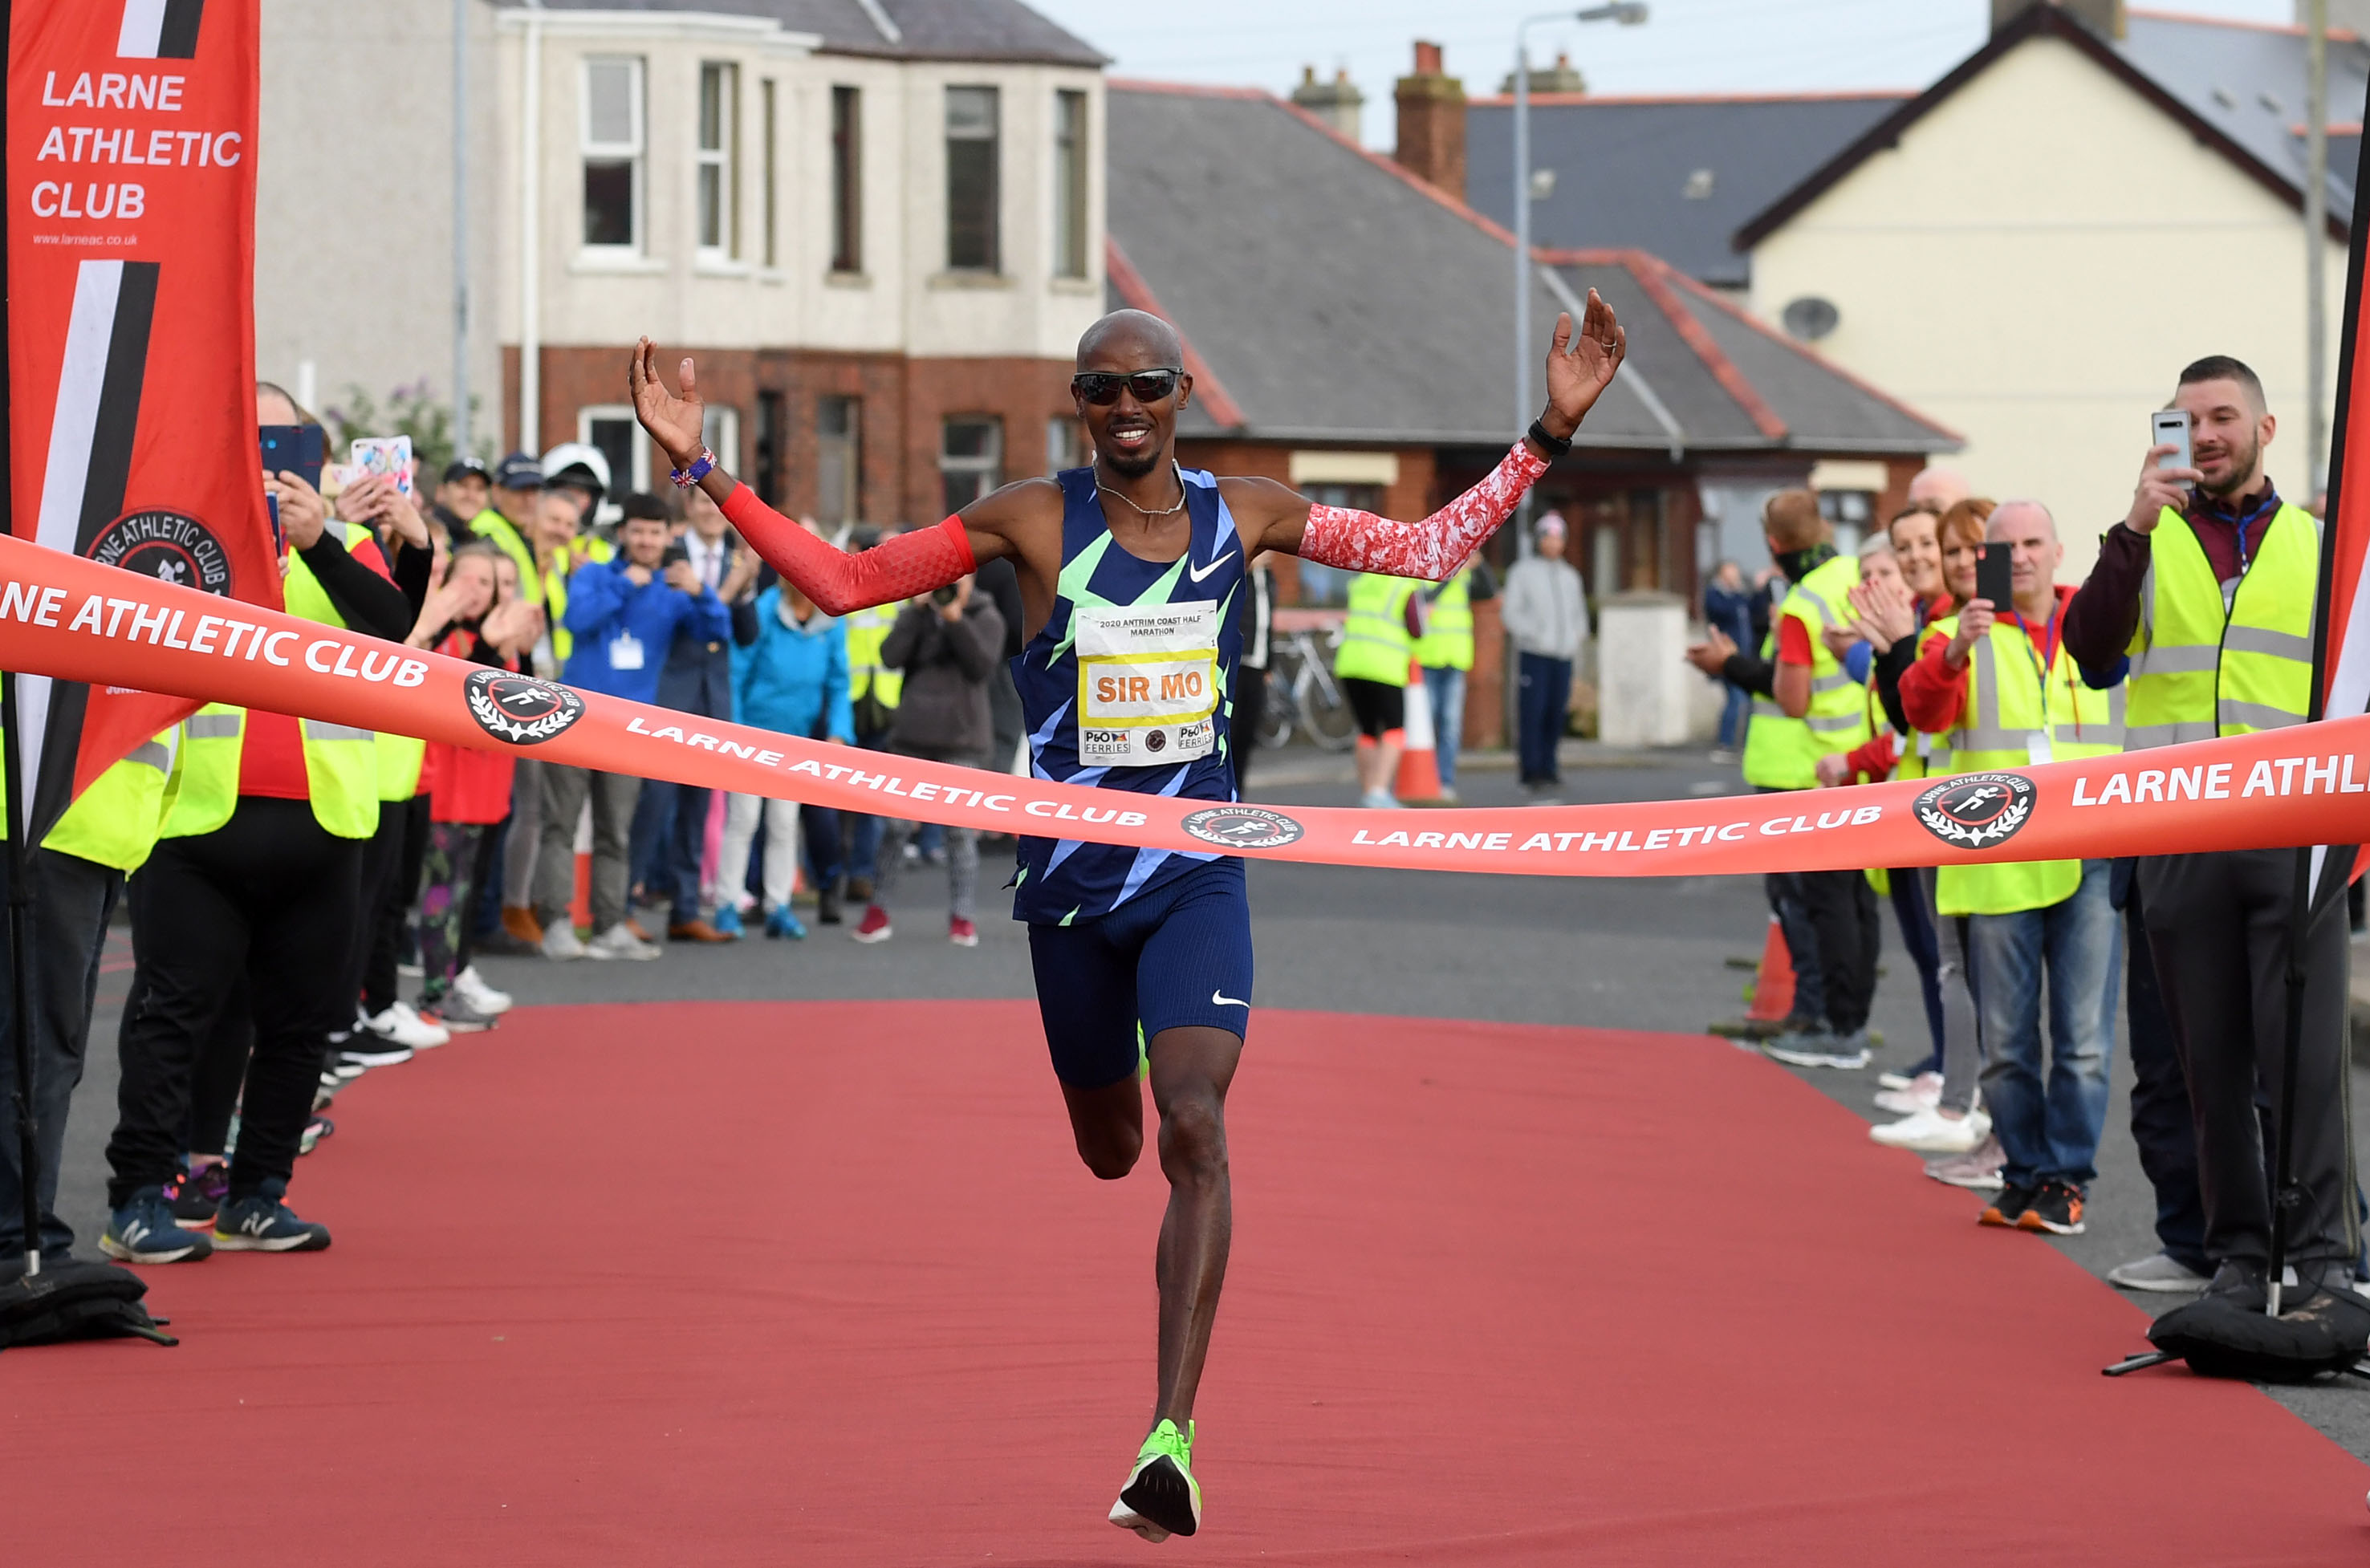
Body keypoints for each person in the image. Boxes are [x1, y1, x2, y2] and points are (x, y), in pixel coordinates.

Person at [628, 289, 1627, 1542]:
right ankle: (1130, 1108)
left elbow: (1422, 549)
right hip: (1069, 887)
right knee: (1110, 1149)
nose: (1123, 408)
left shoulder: (1244, 512)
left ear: (1180, 397)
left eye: (1145, 385)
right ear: (1078, 405)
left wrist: (1549, 430)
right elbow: (839, 582)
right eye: (1099, 389)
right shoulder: (1029, 517)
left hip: (1198, 868)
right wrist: (705, 467)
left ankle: (1168, 1439)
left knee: (1193, 1124)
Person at [2063, 355, 2355, 1306]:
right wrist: (2134, 526)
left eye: (2224, 416)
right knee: (2210, 1070)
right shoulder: (2146, 541)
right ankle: (2235, 1259)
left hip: (2293, 836)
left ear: (2264, 429)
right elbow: (2092, 652)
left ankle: (2318, 1265)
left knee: (2304, 1064)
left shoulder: (2325, 544)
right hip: (2178, 838)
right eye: (2187, 420)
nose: (2207, 434)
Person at [100, 382, 412, 1264]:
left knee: (299, 1024)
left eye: (290, 447)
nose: (275, 466)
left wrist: (317, 544)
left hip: (324, 826)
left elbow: (393, 632)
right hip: (196, 824)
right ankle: (136, 1198)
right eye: (257, 445)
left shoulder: (346, 543)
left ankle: (258, 1194)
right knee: (173, 1016)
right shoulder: (182, 540)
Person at [1901, 500, 2124, 1237]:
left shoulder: (2096, 626)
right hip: (1998, 856)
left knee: (2083, 1038)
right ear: (1982, 559)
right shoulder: (1953, 633)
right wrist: (1955, 653)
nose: (2020, 556)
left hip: (2088, 850)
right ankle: (2023, 1170)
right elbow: (1922, 715)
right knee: (2006, 1042)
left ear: (2058, 552)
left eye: (2033, 543)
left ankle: (2064, 1178)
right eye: (2005, 547)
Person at [1685, 490, 1874, 1066]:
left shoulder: (1801, 605)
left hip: (1801, 769)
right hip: (1861, 763)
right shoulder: (1853, 576)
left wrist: (1730, 666)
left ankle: (1828, 1023)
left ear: (1772, 544)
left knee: (1812, 905)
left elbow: (1791, 698)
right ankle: (1844, 1021)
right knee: (1853, 903)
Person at [0, 721, 183, 1273]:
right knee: (38, 1049)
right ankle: (21, 1240)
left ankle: (24, 1233)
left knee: (47, 1049)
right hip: (56, 820)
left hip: (92, 826)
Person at [534, 497, 731, 962]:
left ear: (669, 537)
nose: (646, 541)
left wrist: (701, 591)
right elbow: (575, 620)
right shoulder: (596, 574)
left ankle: (609, 924)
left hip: (630, 728)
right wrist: (623, 586)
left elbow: (717, 632)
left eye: (655, 533)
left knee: (616, 831)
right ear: (623, 534)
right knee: (561, 825)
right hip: (575, 716)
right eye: (638, 531)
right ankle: (557, 924)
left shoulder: (673, 587)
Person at [409, 543, 536, 1030]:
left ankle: (456, 976)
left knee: (468, 887)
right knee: (445, 888)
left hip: (487, 783)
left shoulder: (497, 634)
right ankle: (436, 992)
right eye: (473, 579)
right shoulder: (441, 634)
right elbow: (463, 694)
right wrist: (490, 647)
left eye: (493, 582)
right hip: (448, 783)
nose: (482, 591)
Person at [633, 488, 762, 942]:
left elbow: (744, 637)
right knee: (653, 805)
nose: (711, 512)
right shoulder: (668, 555)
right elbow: (687, 621)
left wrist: (743, 593)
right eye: (703, 504)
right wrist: (723, 592)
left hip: (713, 699)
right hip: (668, 694)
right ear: (689, 509)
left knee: (697, 808)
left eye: (718, 505)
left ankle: (686, 909)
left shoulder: (740, 562)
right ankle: (626, 904)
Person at [853, 576, 1006, 946]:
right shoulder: (917, 614)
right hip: (912, 737)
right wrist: (915, 610)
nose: (949, 588)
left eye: (958, 581)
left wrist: (955, 619)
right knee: (895, 827)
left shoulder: (986, 615)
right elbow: (889, 656)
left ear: (972, 581)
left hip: (963, 739)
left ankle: (963, 916)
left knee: (959, 833)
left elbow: (982, 666)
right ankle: (878, 911)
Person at [720, 547, 856, 940]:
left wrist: (839, 733)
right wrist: (736, 732)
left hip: (796, 741)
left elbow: (839, 682)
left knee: (784, 824)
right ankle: (728, 903)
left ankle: (778, 905)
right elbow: (737, 674)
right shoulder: (764, 612)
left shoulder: (831, 623)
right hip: (751, 736)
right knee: (743, 821)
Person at [1502, 514, 1588, 799]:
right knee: (1533, 713)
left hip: (1562, 655)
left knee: (1555, 713)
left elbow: (1578, 614)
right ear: (1539, 541)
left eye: (1558, 538)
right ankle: (1531, 771)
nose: (1553, 543)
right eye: (1548, 537)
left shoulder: (1570, 576)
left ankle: (1550, 767)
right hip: (1535, 654)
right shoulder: (1522, 573)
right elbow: (1510, 613)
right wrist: (1534, 635)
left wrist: (1576, 636)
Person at [1334, 570, 1419, 809]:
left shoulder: (1362, 581)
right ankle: (1379, 792)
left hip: (1351, 663)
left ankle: (1369, 791)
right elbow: (1417, 628)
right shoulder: (1404, 585)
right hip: (1384, 665)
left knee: (1367, 731)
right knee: (1394, 730)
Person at [1413, 558, 1496, 801]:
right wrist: (1452, 572)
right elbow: (1427, 598)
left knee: (1450, 726)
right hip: (1430, 657)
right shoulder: (1423, 571)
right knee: (1426, 727)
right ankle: (1425, 780)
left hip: (1456, 659)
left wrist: (1480, 564)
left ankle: (1445, 781)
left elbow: (1488, 592)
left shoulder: (1466, 575)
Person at [1701, 559, 1754, 754]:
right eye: (1731, 573)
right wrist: (1734, 594)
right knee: (1735, 698)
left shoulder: (1738, 595)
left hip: (1742, 655)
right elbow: (1721, 612)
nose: (1735, 578)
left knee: (1743, 700)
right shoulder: (1716, 595)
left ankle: (1738, 742)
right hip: (1726, 657)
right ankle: (1726, 742)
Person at [1234, 552, 1276, 787]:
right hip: (1235, 662)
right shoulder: (1237, 573)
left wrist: (1269, 664)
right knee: (1229, 733)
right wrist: (1245, 564)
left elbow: (1267, 620)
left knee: (1247, 735)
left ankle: (1238, 795)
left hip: (1258, 664)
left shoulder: (1268, 577)